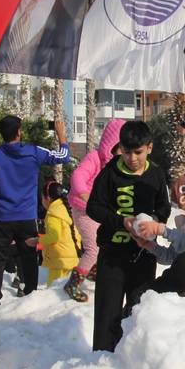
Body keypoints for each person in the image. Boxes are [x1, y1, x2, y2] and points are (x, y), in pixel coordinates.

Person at [86, 121, 171, 352]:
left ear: (149, 148)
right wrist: (121, 221)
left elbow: (164, 208)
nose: (132, 158)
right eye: (126, 152)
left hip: (144, 256)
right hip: (111, 256)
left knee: (138, 309)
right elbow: (93, 207)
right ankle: (101, 360)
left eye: (138, 152)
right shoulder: (109, 174)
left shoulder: (156, 174)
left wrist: (153, 221)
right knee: (107, 312)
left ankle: (132, 357)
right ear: (119, 148)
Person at [0, 115, 70, 305]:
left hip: (2, 216)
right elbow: (64, 157)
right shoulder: (33, 152)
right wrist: (61, 134)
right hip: (27, 216)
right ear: (19, 132)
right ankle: (30, 296)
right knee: (29, 257)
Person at [67, 119, 124, 297]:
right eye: (122, 148)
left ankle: (92, 270)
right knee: (93, 248)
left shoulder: (119, 165)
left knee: (105, 242)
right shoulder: (95, 157)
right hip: (84, 210)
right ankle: (73, 284)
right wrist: (83, 193)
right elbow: (78, 175)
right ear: (112, 144)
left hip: (100, 212)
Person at [28, 181, 82, 293]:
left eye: (42, 198)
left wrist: (36, 241)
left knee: (54, 293)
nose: (42, 201)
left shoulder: (53, 213)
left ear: (48, 198)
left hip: (59, 260)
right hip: (73, 257)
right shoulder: (69, 209)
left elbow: (54, 236)